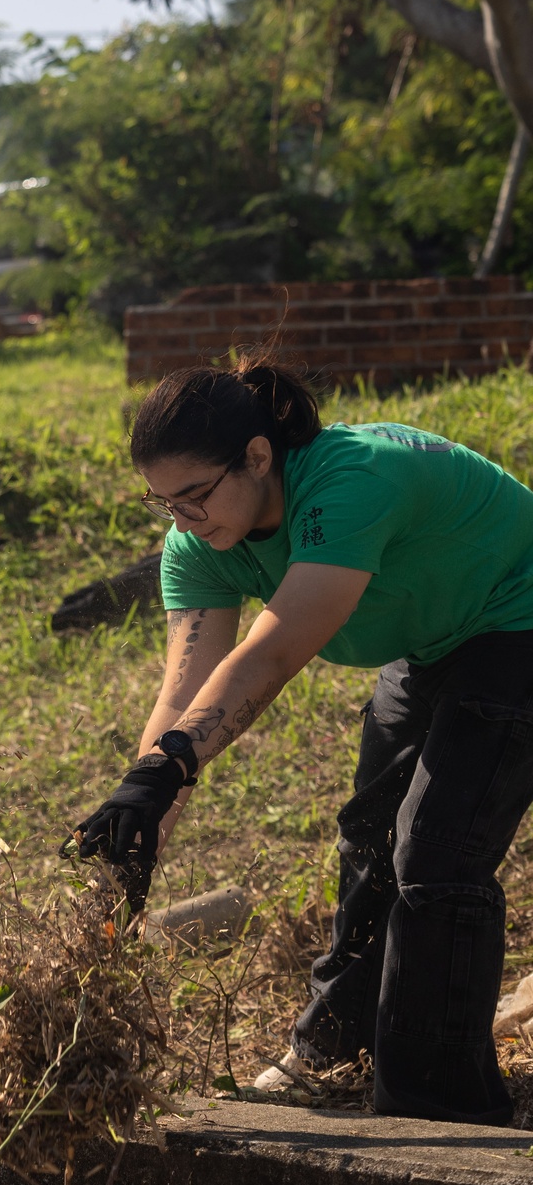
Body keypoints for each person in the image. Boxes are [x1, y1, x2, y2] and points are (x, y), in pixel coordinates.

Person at [66, 352, 533, 1126]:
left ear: (258, 457)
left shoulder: (349, 484)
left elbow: (273, 654)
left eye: (195, 496)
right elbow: (183, 697)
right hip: (435, 641)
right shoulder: (200, 543)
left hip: (519, 618)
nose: (182, 522)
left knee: (437, 852)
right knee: (372, 836)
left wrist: (171, 765)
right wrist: (142, 815)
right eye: (164, 504)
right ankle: (334, 1047)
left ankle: (438, 1110)